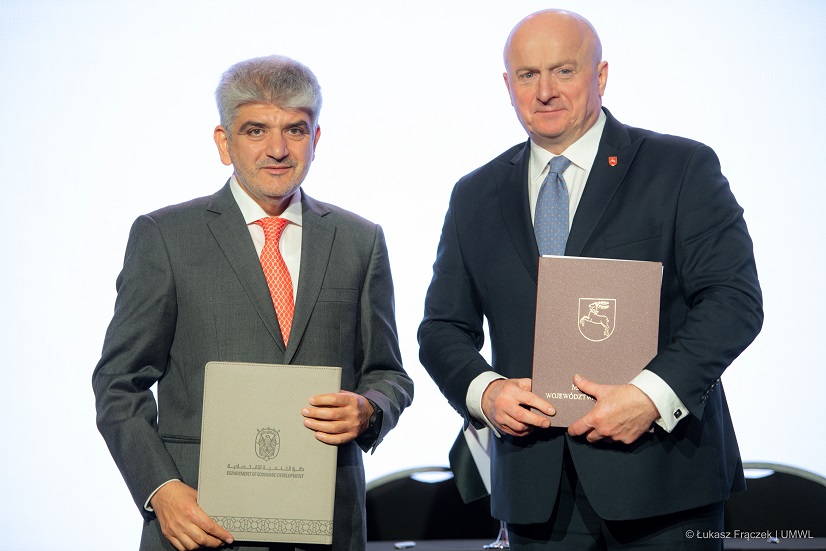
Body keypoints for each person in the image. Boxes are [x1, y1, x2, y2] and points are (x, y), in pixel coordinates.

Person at [418, 9, 762, 550]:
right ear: (508, 86)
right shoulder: (474, 195)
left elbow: (732, 301)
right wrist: (487, 392)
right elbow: (442, 328)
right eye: (528, 75)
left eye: (564, 70)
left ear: (600, 75)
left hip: (663, 483)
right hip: (534, 491)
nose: (545, 91)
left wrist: (651, 396)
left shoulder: (679, 167)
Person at [92, 55, 413, 551]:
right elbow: (118, 383)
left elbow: (388, 373)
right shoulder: (166, 237)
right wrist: (161, 490)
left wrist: (369, 409)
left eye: (295, 130)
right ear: (224, 143)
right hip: (198, 524)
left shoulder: (359, 240)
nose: (278, 149)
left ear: (316, 138)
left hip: (327, 523)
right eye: (256, 130)